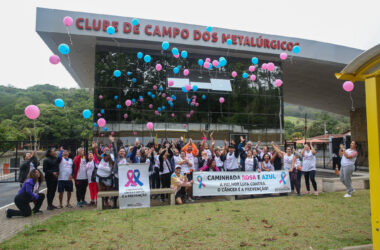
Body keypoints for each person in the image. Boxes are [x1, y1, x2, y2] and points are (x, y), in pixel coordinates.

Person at [93, 142, 114, 208]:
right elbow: (96, 154)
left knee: (107, 191)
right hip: (99, 177)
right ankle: (100, 203)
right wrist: (94, 148)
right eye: (105, 154)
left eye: (107, 155)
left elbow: (110, 169)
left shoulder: (111, 160)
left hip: (107, 178)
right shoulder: (101, 158)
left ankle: (106, 201)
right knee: (100, 190)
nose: (106, 156)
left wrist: (110, 159)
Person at [110, 136, 128, 208]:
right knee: (116, 190)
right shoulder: (117, 158)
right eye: (120, 151)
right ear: (118, 153)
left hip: (125, 178)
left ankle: (124, 204)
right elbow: (114, 150)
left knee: (124, 190)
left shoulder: (128, 159)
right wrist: (112, 142)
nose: (122, 152)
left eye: (123, 151)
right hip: (117, 177)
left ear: (125, 152)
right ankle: (114, 203)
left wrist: (128, 165)